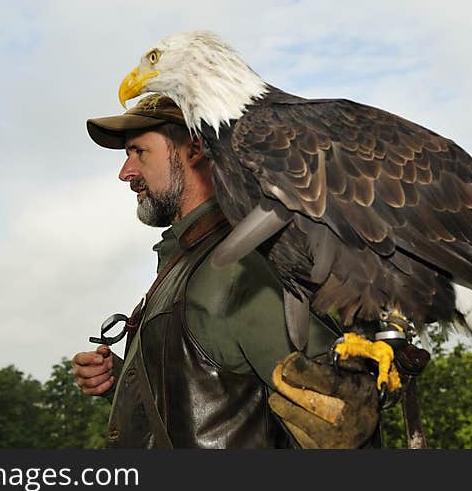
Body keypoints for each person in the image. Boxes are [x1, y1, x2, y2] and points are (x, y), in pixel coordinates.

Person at [72, 94, 382, 448]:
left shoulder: (240, 268)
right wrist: (124, 379)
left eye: (139, 152)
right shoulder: (187, 262)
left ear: (196, 148)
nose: (125, 172)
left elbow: (343, 420)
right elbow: (209, 400)